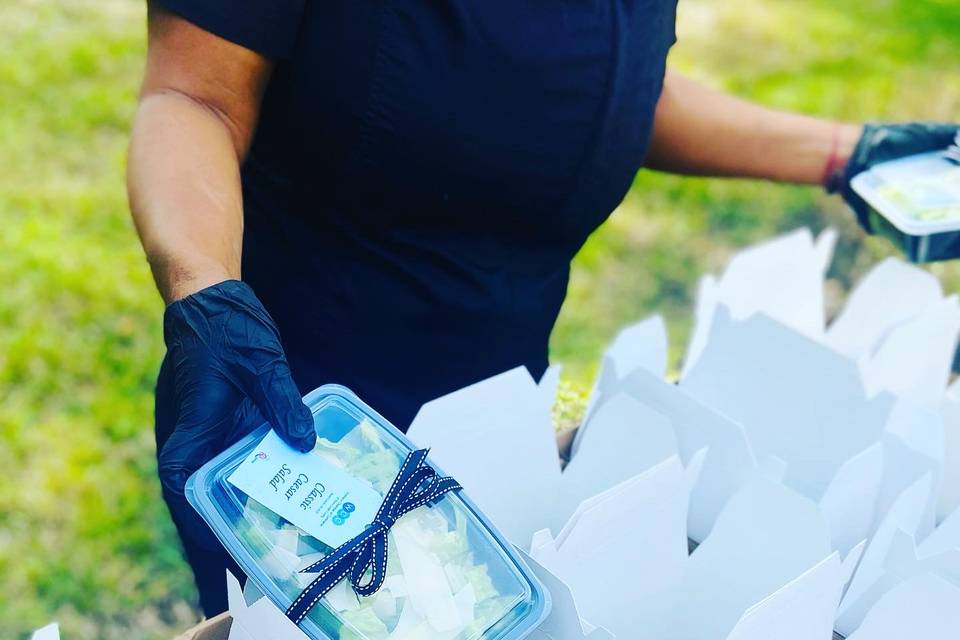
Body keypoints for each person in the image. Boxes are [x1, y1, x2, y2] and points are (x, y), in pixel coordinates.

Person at [127, 0, 958, 616]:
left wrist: (840, 154)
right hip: (287, 405)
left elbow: (596, 90)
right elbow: (193, 94)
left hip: (499, 409)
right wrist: (207, 292)